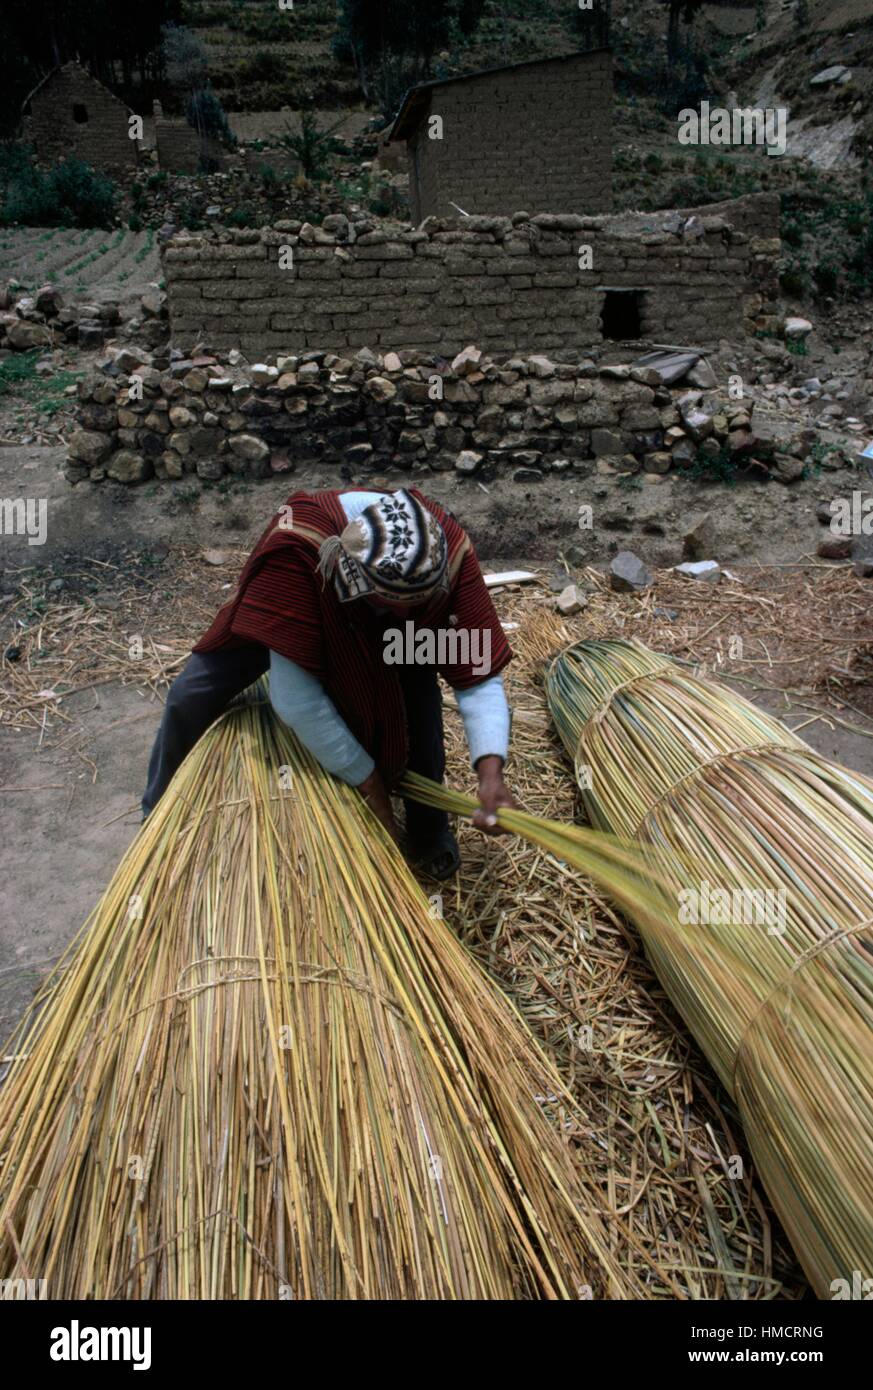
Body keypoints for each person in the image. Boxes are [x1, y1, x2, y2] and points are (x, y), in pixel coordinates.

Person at [142, 485, 518, 878]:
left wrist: (491, 774)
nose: (409, 621)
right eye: (396, 605)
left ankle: (429, 832)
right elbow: (296, 700)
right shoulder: (299, 551)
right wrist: (369, 782)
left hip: (377, 613)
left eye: (418, 607)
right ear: (360, 579)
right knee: (191, 694)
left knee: (418, 699)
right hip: (288, 614)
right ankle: (156, 813)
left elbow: (479, 676)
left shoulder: (447, 554)